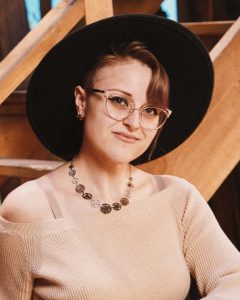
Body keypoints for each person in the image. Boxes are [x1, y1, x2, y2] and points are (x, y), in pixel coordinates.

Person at [0, 14, 239, 300]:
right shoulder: (29, 208)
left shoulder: (178, 197)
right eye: (119, 101)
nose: (134, 123)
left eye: (150, 110)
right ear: (81, 101)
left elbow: (232, 276)